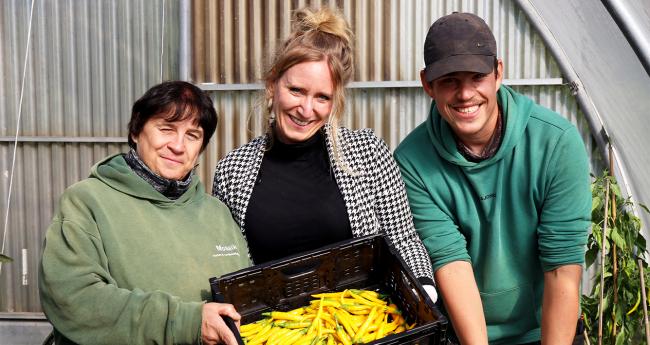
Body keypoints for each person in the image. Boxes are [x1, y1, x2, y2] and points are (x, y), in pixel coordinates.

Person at [394, 12, 591, 345]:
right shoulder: (413, 162)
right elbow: (451, 263)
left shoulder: (556, 143)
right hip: (467, 334)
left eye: (476, 77)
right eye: (449, 80)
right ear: (428, 84)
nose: (465, 94)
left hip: (547, 329)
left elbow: (561, 270)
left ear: (498, 73)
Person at [212, 7, 436, 292]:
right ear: (272, 85)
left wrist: (424, 289)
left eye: (321, 97)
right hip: (273, 330)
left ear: (334, 101)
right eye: (296, 90)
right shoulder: (233, 171)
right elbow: (227, 264)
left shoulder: (367, 153)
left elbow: (403, 239)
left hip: (363, 323)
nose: (306, 110)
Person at [39, 81, 251, 345]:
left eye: (192, 135)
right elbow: (73, 299)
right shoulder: (88, 201)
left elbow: (245, 300)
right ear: (136, 131)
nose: (178, 146)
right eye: (166, 129)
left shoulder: (216, 214)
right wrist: (187, 322)